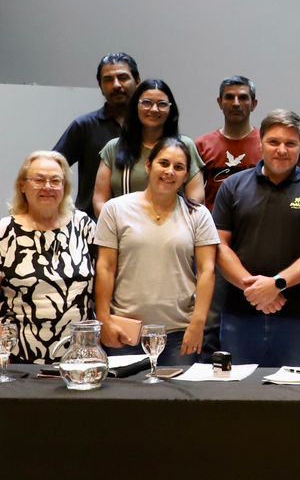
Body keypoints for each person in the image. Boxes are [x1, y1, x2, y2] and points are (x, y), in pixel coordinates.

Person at [211, 110, 300, 366]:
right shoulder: (232, 186)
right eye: (273, 142)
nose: (282, 150)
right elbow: (219, 246)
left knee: (292, 388)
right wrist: (255, 290)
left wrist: (277, 284)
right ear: (260, 143)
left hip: (298, 314)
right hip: (240, 310)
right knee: (238, 387)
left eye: (290, 143)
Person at [93, 138, 219, 365]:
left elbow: (207, 270)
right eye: (164, 163)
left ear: (186, 175)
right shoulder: (115, 209)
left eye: (179, 167)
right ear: (149, 166)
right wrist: (104, 320)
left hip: (179, 333)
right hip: (125, 333)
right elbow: (105, 267)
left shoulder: (198, 215)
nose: (170, 172)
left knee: (178, 390)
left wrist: (198, 324)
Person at [0, 151, 96, 365]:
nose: (47, 187)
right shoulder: (3, 231)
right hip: (20, 355)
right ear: (22, 185)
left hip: (81, 355)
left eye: (55, 181)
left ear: (65, 187)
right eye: (39, 180)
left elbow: (104, 281)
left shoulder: (83, 226)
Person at [91, 80, 205, 215]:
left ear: (171, 109)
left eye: (162, 104)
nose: (154, 109)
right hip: (123, 225)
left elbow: (196, 198)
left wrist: (167, 222)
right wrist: (120, 222)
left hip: (172, 224)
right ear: (136, 106)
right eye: (147, 103)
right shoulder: (113, 148)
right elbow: (100, 201)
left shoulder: (185, 145)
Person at [54, 52, 139, 217]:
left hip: (142, 223)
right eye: (108, 80)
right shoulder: (84, 126)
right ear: (100, 87)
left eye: (123, 77)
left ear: (137, 81)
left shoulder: (151, 127)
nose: (116, 85)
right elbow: (51, 167)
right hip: (92, 224)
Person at [196, 76, 263, 209]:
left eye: (243, 98)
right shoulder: (202, 145)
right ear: (220, 102)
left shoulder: (266, 144)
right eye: (229, 97)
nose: (236, 103)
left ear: (254, 104)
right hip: (213, 221)